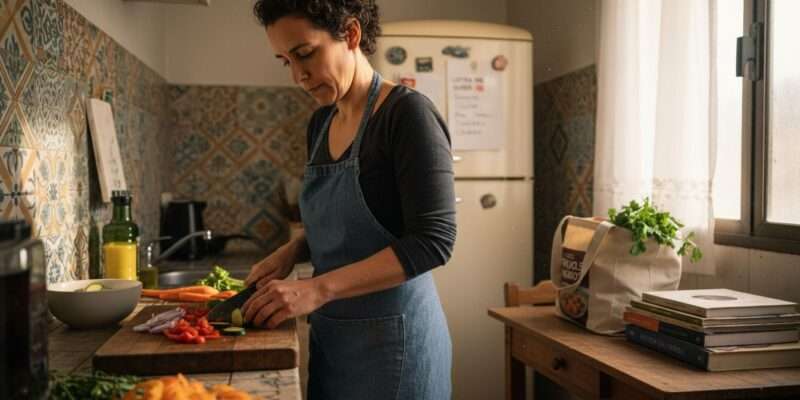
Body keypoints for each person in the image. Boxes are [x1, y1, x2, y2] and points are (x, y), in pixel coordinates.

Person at [241, 1, 457, 399]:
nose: (298, 75)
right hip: (335, 344)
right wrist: (293, 250)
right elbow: (349, 226)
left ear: (351, 34)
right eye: (285, 61)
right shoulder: (321, 123)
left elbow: (434, 241)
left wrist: (316, 290)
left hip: (397, 349)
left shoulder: (407, 115)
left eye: (305, 53)